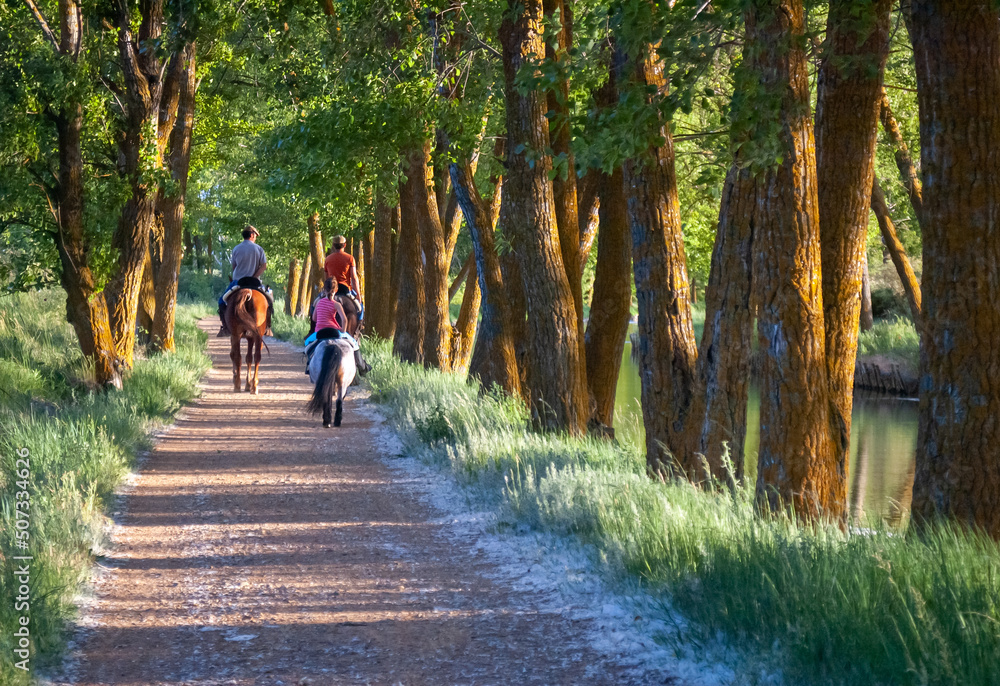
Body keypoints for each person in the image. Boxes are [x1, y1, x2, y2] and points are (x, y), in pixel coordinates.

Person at [305, 278, 371, 376]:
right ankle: (362, 367)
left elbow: (314, 318)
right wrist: (343, 331)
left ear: (324, 289)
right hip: (334, 331)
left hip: (320, 332)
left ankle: (309, 365)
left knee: (307, 344)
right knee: (354, 344)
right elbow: (344, 320)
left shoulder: (319, 303)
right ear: (336, 290)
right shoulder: (337, 304)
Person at [218, 225, 274, 337]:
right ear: (252, 235)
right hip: (254, 282)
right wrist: (254, 276)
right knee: (269, 301)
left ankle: (225, 327)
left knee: (221, 301)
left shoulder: (236, 249)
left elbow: (234, 267)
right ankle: (267, 327)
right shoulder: (259, 249)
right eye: (255, 236)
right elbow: (263, 266)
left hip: (238, 282)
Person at [323, 235, 364, 320]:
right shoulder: (350, 258)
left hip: (331, 289)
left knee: (314, 306)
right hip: (345, 289)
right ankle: (358, 329)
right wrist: (358, 295)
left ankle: (314, 329)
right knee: (360, 308)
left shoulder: (328, 259)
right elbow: (354, 278)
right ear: (344, 245)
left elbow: (326, 278)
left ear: (333, 245)